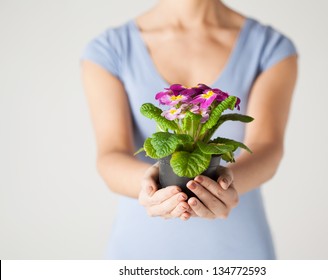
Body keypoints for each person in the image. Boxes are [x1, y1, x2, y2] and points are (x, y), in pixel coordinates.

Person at [80, 0, 298, 259]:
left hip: (237, 252)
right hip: (142, 251)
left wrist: (227, 184)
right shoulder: (109, 49)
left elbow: (267, 147)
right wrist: (150, 185)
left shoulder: (270, 47)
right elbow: (111, 154)